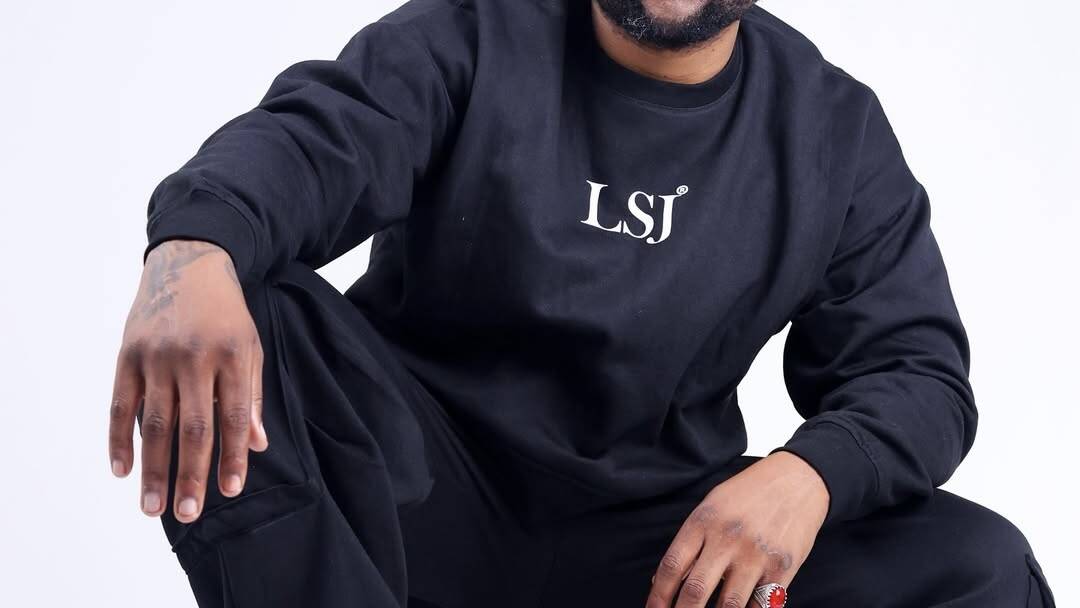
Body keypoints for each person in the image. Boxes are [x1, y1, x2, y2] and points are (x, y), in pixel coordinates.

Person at [107, 1, 1056, 606]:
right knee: (244, 305)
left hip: (658, 556)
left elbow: (917, 375)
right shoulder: (476, 32)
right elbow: (313, 142)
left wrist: (807, 476)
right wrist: (193, 248)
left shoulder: (829, 130)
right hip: (410, 508)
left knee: (978, 569)